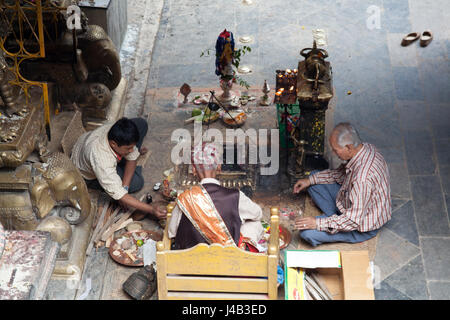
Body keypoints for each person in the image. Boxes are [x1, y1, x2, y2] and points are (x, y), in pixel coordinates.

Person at [293, 122, 391, 247]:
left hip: (359, 226)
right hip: (350, 203)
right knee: (313, 178)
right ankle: (334, 219)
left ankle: (333, 221)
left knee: (307, 233)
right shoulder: (365, 148)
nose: (334, 153)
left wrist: (317, 224)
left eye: (336, 150)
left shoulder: (362, 179)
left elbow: (353, 221)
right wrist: (309, 180)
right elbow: (339, 175)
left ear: (349, 147)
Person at [168, 143, 264, 251]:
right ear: (219, 167)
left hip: (190, 261)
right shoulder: (235, 197)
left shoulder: (184, 199)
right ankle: (243, 252)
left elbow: (172, 232)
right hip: (226, 259)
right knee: (255, 223)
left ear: (194, 170)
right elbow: (257, 214)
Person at [71, 117, 166, 219]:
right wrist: (151, 209)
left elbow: (132, 155)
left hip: (90, 147)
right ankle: (126, 165)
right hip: (89, 174)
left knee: (141, 124)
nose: (131, 150)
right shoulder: (101, 159)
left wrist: (124, 187)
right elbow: (120, 195)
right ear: (113, 144)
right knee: (137, 182)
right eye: (128, 148)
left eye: (132, 147)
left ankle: (124, 158)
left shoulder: (114, 130)